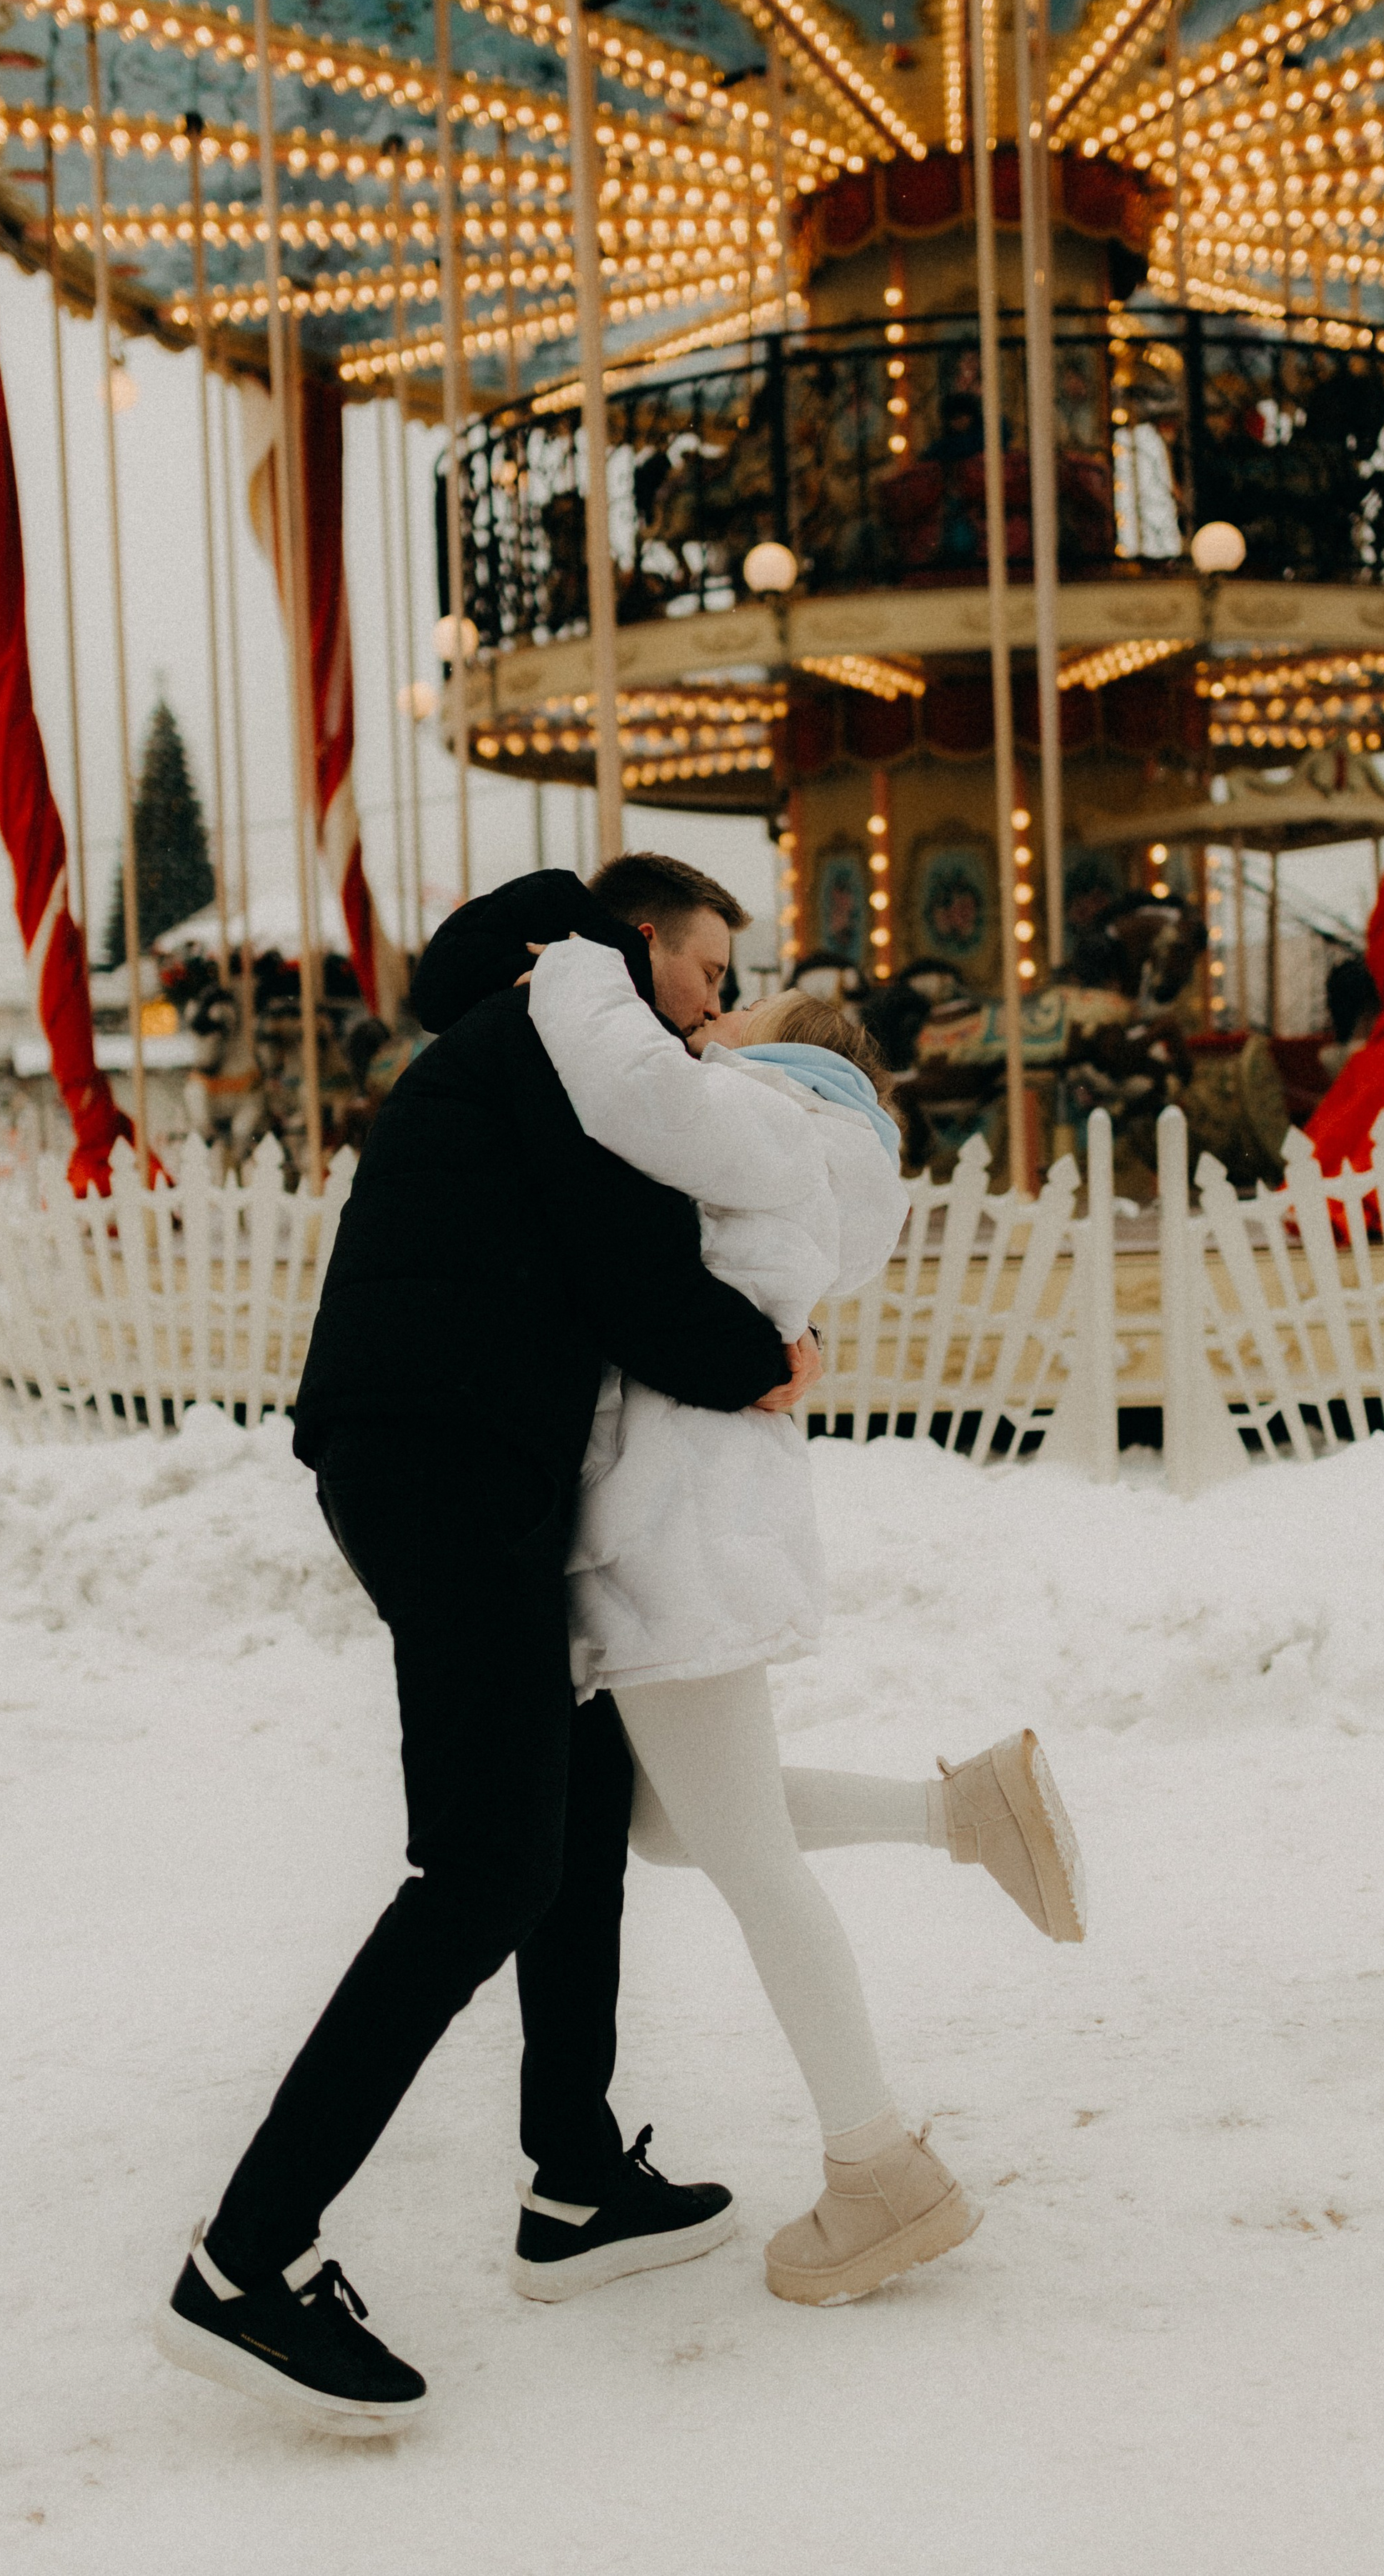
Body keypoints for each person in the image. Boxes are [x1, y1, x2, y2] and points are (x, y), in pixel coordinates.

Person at [157, 859, 818, 2435]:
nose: (719, 1005)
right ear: (636, 944)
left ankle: (574, 2177)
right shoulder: (572, 1044)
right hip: (443, 1462)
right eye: (709, 968)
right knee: (484, 1867)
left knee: (578, 1789)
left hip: (454, 1455)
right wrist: (770, 1358)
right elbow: (634, 1277)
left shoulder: (543, 1026)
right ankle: (245, 2262)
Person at [526, 937, 1084, 2310]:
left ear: (798, 1049)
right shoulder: (803, 1144)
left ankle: (876, 2163)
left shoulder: (770, 1120)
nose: (711, 1014)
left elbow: (620, 1084)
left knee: (749, 1867)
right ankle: (962, 1815)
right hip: (700, 1516)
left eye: (742, 1002)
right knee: (674, 1828)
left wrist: (578, 966)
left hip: (678, 1527)